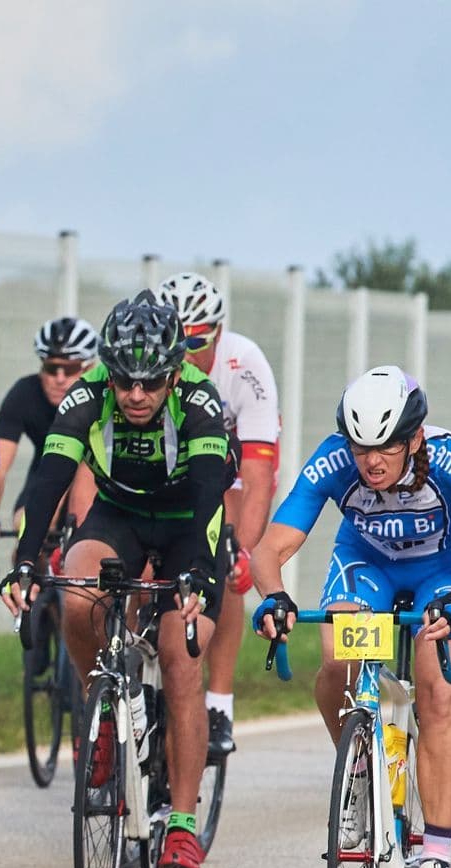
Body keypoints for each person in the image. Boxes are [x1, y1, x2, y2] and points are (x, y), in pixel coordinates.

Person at [251, 366, 451, 868]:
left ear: (414, 439)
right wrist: (274, 596)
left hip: (447, 569)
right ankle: (359, 771)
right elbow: (269, 548)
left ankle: (437, 855)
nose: (371, 461)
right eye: (361, 447)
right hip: (367, 563)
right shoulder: (333, 460)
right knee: (339, 665)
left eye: (387, 447)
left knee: (437, 686)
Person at [0, 291, 227, 868]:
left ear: (174, 373)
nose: (135, 394)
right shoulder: (90, 390)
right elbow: (49, 476)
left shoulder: (199, 399)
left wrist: (201, 573)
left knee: (180, 657)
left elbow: (210, 493)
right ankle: (100, 711)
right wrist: (24, 561)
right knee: (77, 596)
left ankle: (182, 823)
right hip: (119, 515)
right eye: (125, 381)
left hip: (188, 525)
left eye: (150, 383)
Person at [156, 271, 281, 761]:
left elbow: (257, 474)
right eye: (176, 342)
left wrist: (244, 552)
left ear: (218, 332)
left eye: (196, 342)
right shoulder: (151, 366)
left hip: (233, 466)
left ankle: (219, 701)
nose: (185, 354)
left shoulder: (243, 364)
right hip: (174, 462)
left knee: (224, 555)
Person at [0, 315, 100, 531]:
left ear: (89, 368)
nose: (59, 378)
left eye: (70, 369)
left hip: (95, 469)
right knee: (23, 524)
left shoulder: (102, 396)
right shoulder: (25, 393)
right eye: (51, 368)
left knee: (81, 521)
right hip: (47, 464)